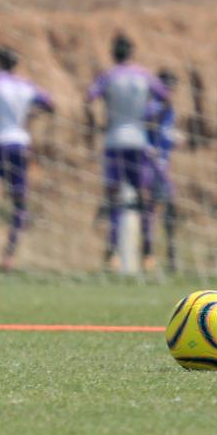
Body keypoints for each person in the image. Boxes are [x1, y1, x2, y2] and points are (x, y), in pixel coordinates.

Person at [86, 34, 168, 268]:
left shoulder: (108, 76)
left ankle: (112, 253)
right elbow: (166, 99)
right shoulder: (145, 75)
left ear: (113, 53)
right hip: (139, 141)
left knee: (113, 198)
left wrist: (94, 126)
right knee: (144, 197)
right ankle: (148, 254)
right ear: (131, 52)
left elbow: (88, 99)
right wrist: (153, 122)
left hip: (114, 141)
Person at [0, 47, 53, 271]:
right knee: (19, 203)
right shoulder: (26, 85)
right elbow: (50, 104)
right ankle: (9, 256)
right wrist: (30, 116)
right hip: (20, 145)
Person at [145, 68, 181, 271]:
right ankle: (153, 255)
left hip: (162, 165)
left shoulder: (169, 109)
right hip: (152, 165)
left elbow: (165, 135)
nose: (172, 92)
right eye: (169, 88)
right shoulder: (153, 106)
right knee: (156, 208)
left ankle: (167, 255)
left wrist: (175, 139)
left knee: (163, 209)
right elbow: (148, 125)